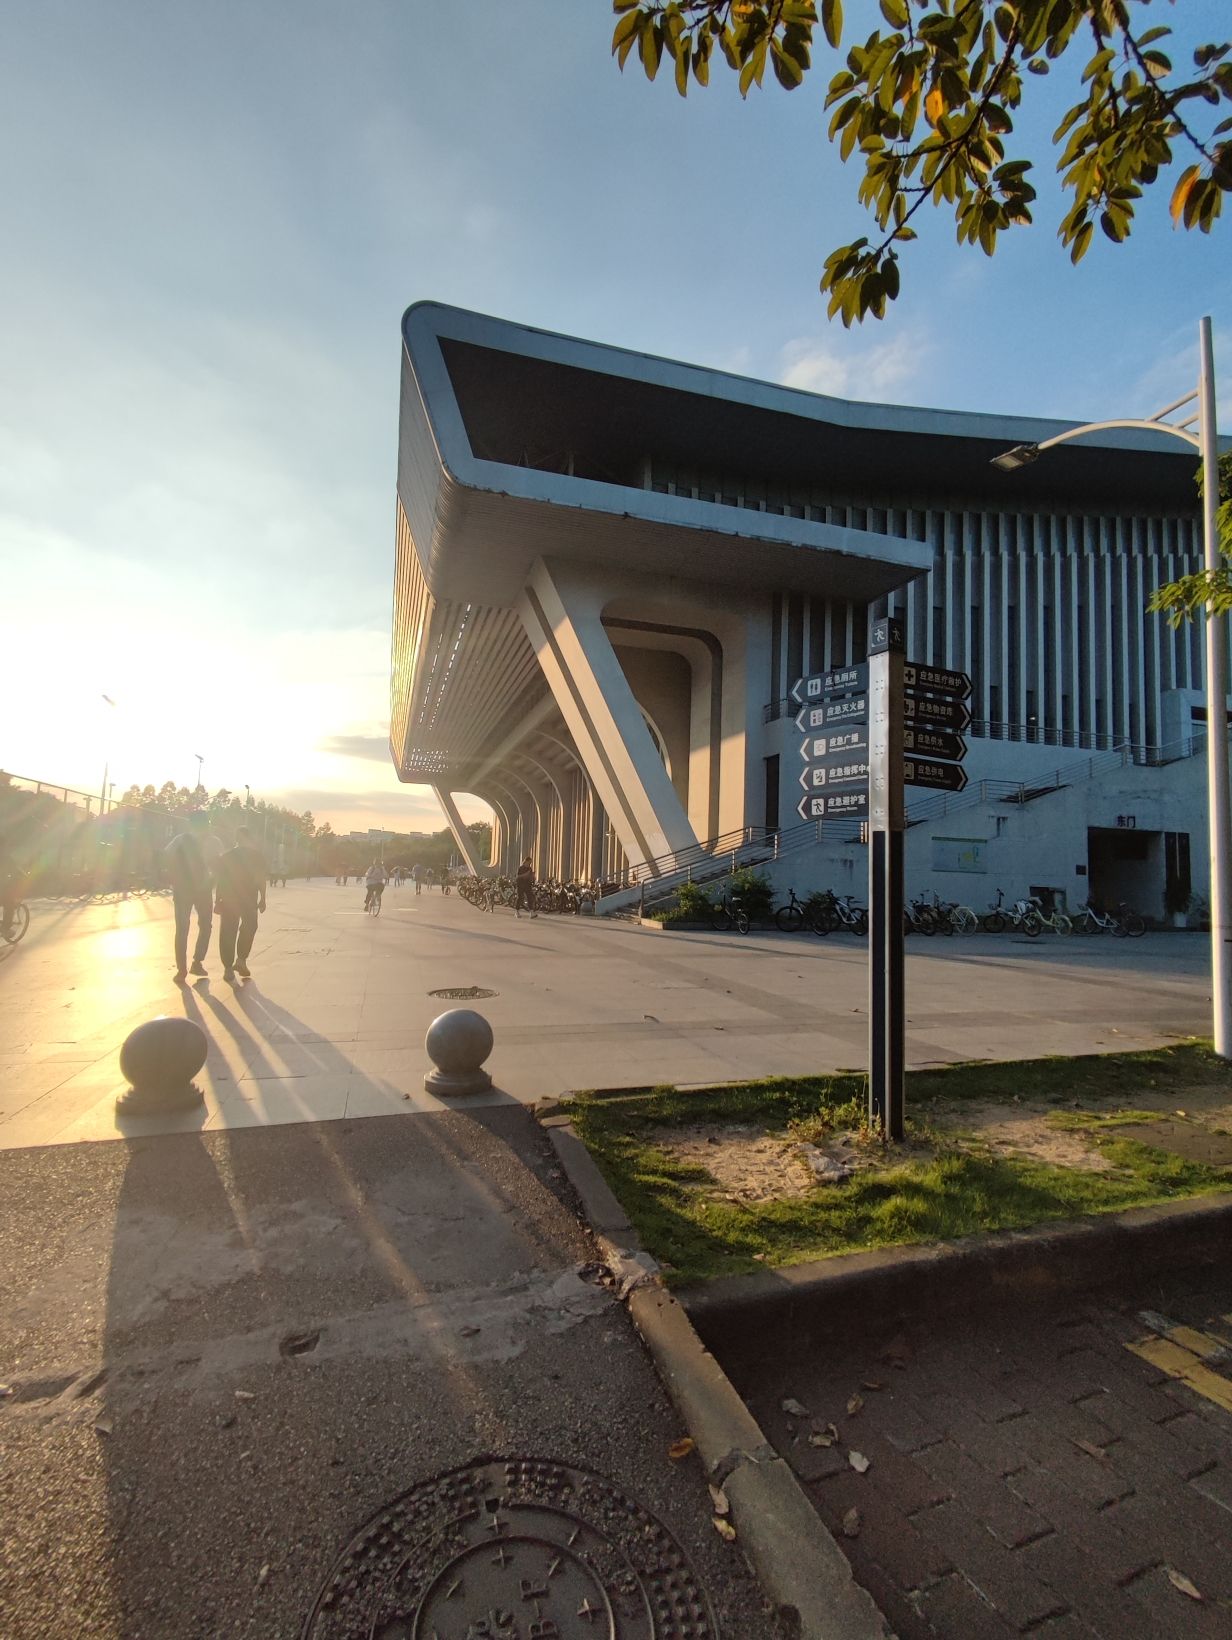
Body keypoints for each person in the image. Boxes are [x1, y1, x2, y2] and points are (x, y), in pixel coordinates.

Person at [164, 811, 216, 982]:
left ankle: (182, 970)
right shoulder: (213, 842)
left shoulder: (180, 840)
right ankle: (197, 962)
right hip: (203, 889)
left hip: (183, 889)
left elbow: (167, 857)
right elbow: (219, 867)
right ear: (205, 823)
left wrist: (174, 878)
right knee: (206, 926)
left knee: (182, 929)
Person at [215, 826, 267, 982]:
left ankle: (228, 968)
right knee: (250, 927)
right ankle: (241, 959)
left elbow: (220, 880)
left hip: (229, 899)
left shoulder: (227, 856)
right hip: (248, 899)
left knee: (227, 932)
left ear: (236, 839)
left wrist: (218, 900)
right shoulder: (257, 856)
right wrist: (263, 898)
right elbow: (260, 879)